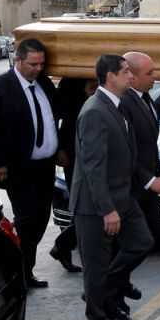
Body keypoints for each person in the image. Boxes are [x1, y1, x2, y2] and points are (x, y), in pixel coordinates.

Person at [71, 54, 155, 320]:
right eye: (125, 72)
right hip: (95, 206)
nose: (131, 77)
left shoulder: (117, 106)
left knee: (142, 242)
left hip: (123, 196)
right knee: (95, 269)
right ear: (110, 76)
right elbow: (94, 167)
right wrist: (107, 209)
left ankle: (107, 289)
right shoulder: (95, 110)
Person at [0, 38, 60, 289]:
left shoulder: (43, 84)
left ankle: (25, 269)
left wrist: (60, 148)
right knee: (27, 218)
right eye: (33, 64)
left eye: (42, 64)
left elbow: (54, 118)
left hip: (45, 166)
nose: (38, 69)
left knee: (41, 218)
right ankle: (16, 273)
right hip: (18, 167)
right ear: (17, 60)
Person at [121, 53, 160, 242]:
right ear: (132, 77)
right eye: (150, 73)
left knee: (155, 232)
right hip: (134, 182)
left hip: (149, 178)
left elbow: (148, 119)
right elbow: (124, 150)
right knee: (138, 240)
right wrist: (150, 180)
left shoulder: (143, 96)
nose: (155, 76)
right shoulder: (124, 102)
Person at [49, 77, 96, 275]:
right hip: (72, 152)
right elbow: (54, 116)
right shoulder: (70, 83)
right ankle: (63, 245)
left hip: (94, 149)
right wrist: (59, 147)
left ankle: (63, 246)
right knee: (84, 206)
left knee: (92, 206)